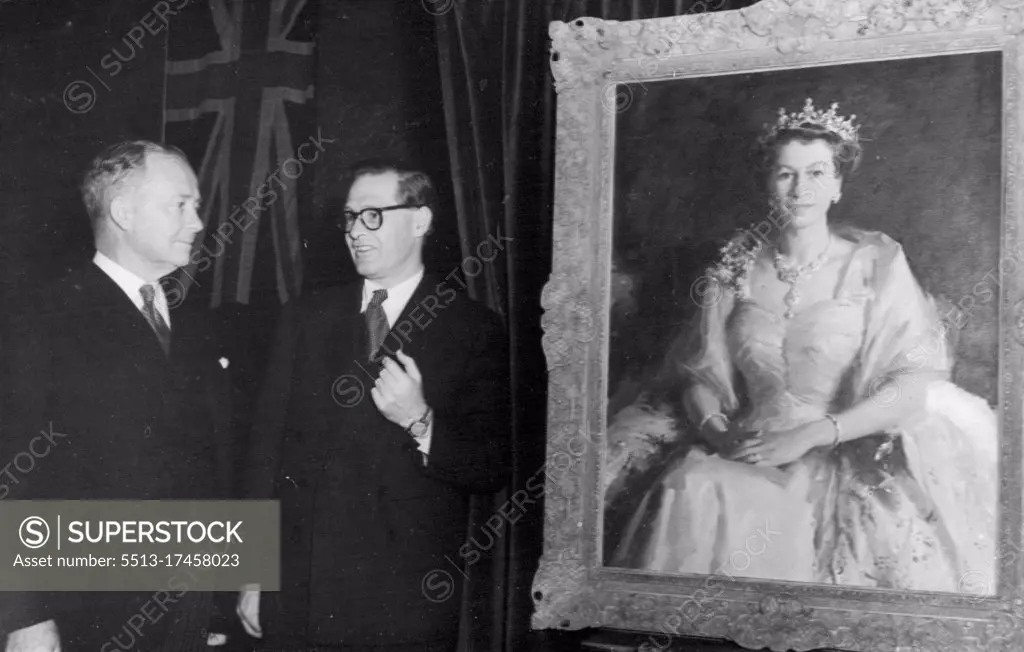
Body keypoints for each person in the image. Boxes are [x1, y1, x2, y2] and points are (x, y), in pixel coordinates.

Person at [604, 99, 998, 592]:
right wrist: (722, 435)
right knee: (692, 486)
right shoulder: (733, 269)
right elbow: (702, 375)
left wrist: (812, 434)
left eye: (816, 173)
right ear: (767, 183)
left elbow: (909, 386)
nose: (800, 189)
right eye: (785, 174)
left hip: (841, 446)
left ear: (837, 185)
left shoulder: (875, 263)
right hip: (749, 444)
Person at [240, 159, 511, 651]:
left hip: (402, 605)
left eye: (372, 215)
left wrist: (419, 419)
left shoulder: (473, 329)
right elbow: (265, 450)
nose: (355, 232)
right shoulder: (305, 318)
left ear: (421, 221)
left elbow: (492, 465)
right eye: (349, 217)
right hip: (301, 596)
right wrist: (253, 575)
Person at [0, 141, 233, 651]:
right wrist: (24, 615)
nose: (197, 222)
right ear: (123, 212)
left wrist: (218, 595)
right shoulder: (45, 316)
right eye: (180, 204)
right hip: (86, 607)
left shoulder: (195, 322)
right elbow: (14, 467)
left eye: (196, 206)